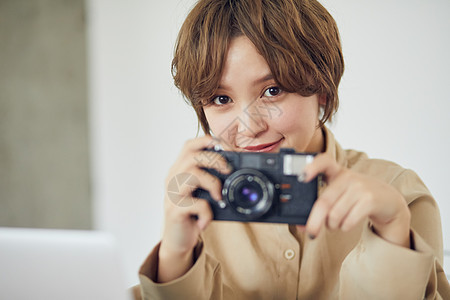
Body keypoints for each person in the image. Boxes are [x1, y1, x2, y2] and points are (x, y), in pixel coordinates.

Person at [132, 0, 450, 299]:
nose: (248, 127)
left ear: (322, 91)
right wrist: (174, 257)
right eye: (221, 99)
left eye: (273, 90)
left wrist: (392, 236)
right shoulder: (198, 197)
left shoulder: (399, 197)